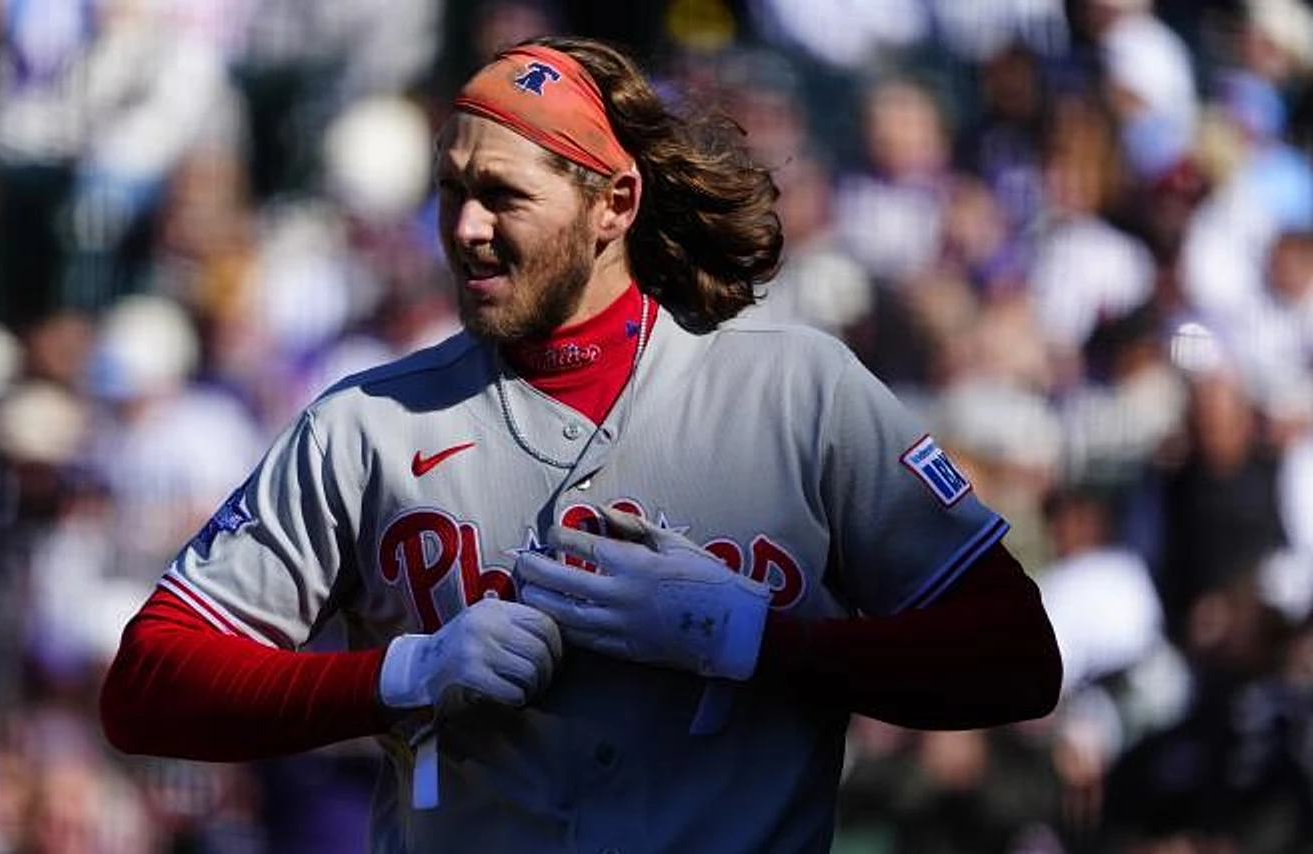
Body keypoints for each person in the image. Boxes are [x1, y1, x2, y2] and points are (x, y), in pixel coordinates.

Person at [100, 35, 1062, 853]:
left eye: (502, 195)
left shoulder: (800, 392)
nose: (466, 228)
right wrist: (405, 674)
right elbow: (149, 683)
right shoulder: (365, 424)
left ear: (615, 203)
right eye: (451, 190)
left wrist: (759, 640)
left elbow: (1016, 656)